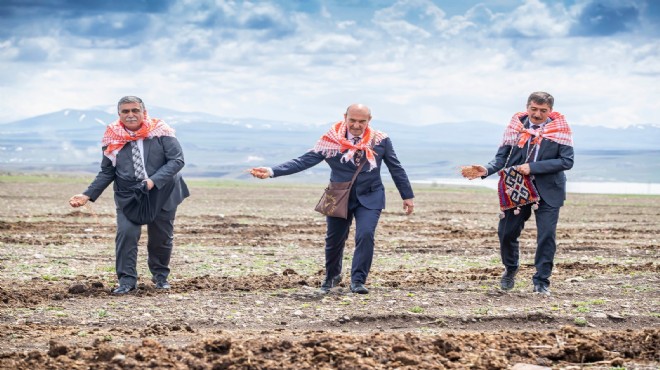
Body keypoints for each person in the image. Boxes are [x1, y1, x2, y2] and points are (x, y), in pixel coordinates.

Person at [250, 104, 415, 294]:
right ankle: (331, 276)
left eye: (362, 121)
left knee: (365, 235)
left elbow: (396, 167)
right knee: (334, 239)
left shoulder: (381, 140)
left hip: (371, 195)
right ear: (345, 117)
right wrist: (272, 171)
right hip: (338, 195)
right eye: (352, 120)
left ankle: (358, 281)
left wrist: (407, 195)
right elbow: (304, 160)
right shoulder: (331, 140)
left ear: (369, 120)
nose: (356, 125)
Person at [69, 96, 190, 294]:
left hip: (163, 191)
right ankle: (126, 281)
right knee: (126, 233)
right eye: (125, 111)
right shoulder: (112, 137)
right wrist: (87, 195)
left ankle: (161, 277)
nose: (131, 115)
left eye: (135, 110)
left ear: (144, 112)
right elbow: (108, 171)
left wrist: (152, 181)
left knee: (161, 237)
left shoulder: (162, 132)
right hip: (130, 194)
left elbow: (176, 161)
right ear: (119, 115)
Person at [461, 92, 574, 295]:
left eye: (543, 110)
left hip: (549, 189)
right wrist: (485, 170)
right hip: (517, 187)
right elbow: (501, 159)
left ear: (550, 111)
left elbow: (567, 161)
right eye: (534, 109)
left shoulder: (561, 130)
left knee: (546, 236)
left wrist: (533, 167)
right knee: (506, 233)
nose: (537, 114)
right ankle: (511, 268)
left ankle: (541, 281)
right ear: (527, 107)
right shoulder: (515, 127)